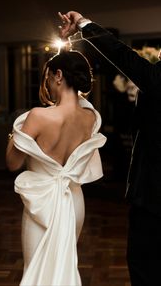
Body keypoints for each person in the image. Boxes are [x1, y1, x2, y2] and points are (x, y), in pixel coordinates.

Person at [58, 10, 161, 286]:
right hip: (151, 192)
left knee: (143, 265)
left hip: (154, 196)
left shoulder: (158, 79)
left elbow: (122, 56)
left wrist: (83, 24)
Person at [6, 50, 106, 286]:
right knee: (63, 267)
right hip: (74, 200)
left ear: (59, 75)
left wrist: (15, 132)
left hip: (42, 201)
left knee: (37, 274)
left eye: (49, 78)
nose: (48, 85)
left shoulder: (37, 116)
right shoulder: (90, 117)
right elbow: (81, 103)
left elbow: (13, 163)